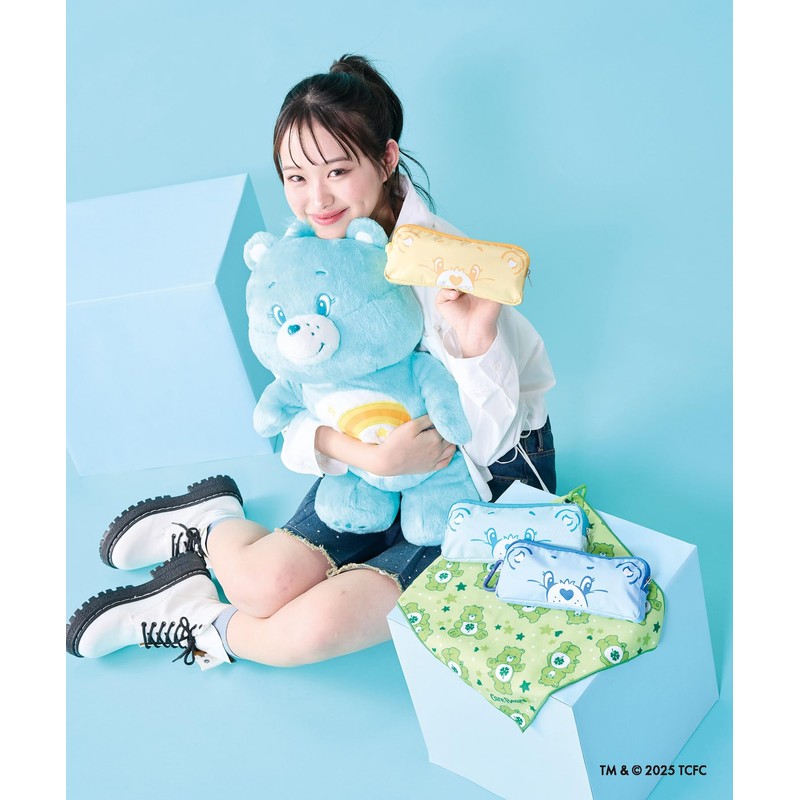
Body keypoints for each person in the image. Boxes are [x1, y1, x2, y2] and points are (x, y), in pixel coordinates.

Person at [66, 54, 556, 671]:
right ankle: (212, 525)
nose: (316, 199)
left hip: (478, 479)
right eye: (295, 177)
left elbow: (491, 438)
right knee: (260, 587)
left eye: (338, 171)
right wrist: (366, 457)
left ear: (387, 159)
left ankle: (200, 620)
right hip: (367, 467)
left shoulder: (445, 267)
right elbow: (296, 404)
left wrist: (476, 338)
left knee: (313, 630)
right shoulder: (307, 256)